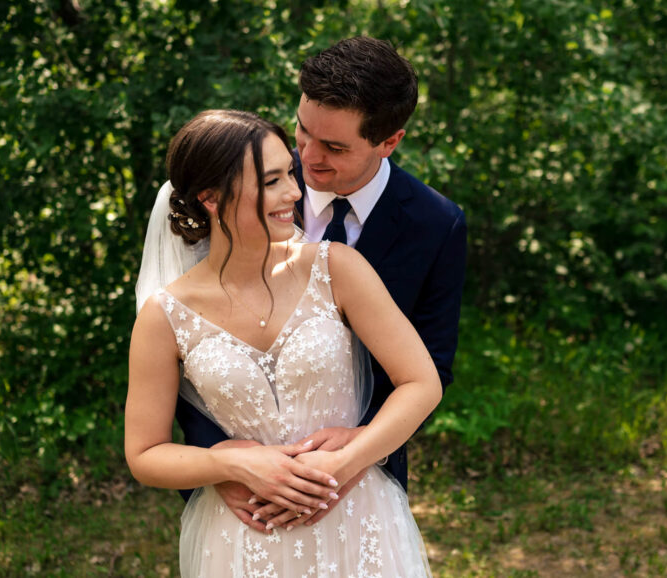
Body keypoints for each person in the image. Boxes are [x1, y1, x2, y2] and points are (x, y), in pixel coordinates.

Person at [144, 37, 467, 532]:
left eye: (334, 147)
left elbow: (429, 370)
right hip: (241, 502)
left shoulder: (435, 224)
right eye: (302, 130)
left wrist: (352, 459)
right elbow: (189, 346)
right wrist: (221, 463)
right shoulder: (236, 179)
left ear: (388, 141)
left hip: (358, 487)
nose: (306, 159)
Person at [126, 109, 441, 576]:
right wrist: (234, 466)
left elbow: (421, 382)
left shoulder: (337, 267)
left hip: (357, 520)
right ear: (211, 198)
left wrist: (347, 462)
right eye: (273, 181)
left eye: (289, 174)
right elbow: (145, 454)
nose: (295, 193)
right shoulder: (164, 315)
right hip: (246, 536)